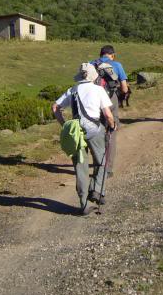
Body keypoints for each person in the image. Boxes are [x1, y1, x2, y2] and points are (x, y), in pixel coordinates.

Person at [53, 62, 116, 216]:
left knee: (80, 167)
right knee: (101, 160)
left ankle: (83, 204)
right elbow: (107, 114)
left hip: (76, 132)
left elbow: (55, 107)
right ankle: (96, 189)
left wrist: (64, 124)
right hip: (94, 129)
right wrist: (112, 125)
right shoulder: (98, 90)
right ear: (93, 76)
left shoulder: (72, 90)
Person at [92, 45, 130, 173]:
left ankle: (97, 164)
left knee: (96, 132)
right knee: (111, 132)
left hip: (94, 101)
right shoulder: (117, 65)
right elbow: (124, 88)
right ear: (112, 55)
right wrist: (122, 95)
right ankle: (107, 169)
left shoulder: (92, 64)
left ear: (101, 54)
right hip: (110, 99)